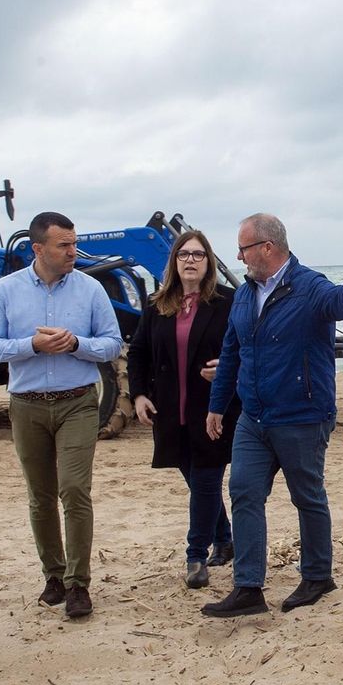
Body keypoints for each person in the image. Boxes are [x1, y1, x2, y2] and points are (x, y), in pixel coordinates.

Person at [201, 214, 343, 617]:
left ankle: (317, 576)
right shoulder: (244, 294)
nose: (239, 256)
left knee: (307, 497)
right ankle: (248, 588)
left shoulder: (309, 286)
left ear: (266, 247)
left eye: (243, 248)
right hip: (254, 416)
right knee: (244, 492)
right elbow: (233, 352)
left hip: (302, 415)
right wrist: (217, 403)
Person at [0, 212, 122, 619]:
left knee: (74, 490)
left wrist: (76, 343)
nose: (74, 251)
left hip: (78, 401)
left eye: (74, 243)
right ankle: (53, 576)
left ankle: (78, 584)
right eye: (65, 245)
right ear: (38, 249)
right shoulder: (6, 291)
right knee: (40, 497)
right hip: (26, 405)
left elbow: (112, 344)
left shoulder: (91, 289)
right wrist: (31, 346)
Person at [126, 230, 240, 590]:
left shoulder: (228, 301)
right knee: (196, 479)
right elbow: (138, 352)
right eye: (184, 254)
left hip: (213, 409)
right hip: (170, 411)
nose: (190, 260)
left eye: (198, 255)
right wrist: (139, 394)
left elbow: (245, 349)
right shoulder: (158, 302)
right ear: (174, 262)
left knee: (206, 479)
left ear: (208, 263)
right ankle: (224, 539)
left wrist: (226, 368)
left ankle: (195, 554)